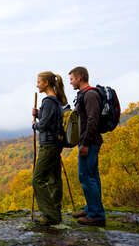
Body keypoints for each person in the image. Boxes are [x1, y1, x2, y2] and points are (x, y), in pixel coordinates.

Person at [69, 66, 106, 227]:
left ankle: (96, 215)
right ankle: (92, 208)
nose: (70, 82)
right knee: (92, 175)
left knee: (86, 176)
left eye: (71, 79)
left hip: (89, 142)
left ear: (80, 78)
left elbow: (92, 120)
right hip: (89, 141)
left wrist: (85, 143)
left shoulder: (90, 95)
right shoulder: (85, 94)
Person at [32, 71, 68, 226]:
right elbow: (50, 119)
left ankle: (50, 214)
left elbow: (45, 124)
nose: (37, 84)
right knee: (54, 179)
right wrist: (39, 114)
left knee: (37, 179)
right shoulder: (56, 101)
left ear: (46, 83)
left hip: (48, 145)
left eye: (39, 82)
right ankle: (55, 210)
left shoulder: (48, 101)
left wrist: (35, 124)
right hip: (56, 144)